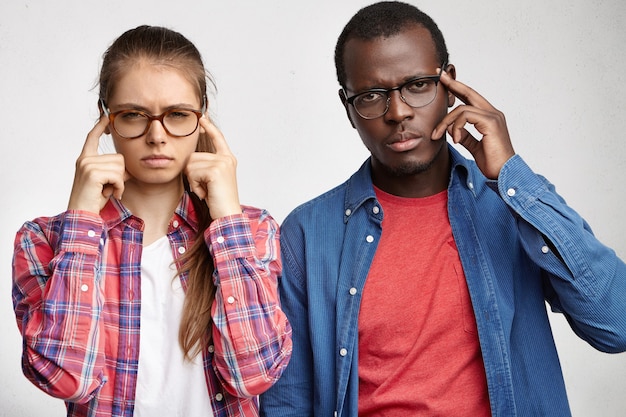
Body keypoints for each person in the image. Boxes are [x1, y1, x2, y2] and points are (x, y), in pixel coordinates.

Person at [259, 2, 626, 416]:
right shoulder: (307, 234)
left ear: (449, 83)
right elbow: (287, 401)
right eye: (371, 96)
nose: (397, 113)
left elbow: (617, 324)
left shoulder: (511, 206)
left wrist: (511, 176)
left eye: (417, 85)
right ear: (348, 107)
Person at [12, 25, 292, 417]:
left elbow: (254, 375)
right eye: (134, 115)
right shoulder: (43, 240)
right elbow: (65, 379)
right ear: (107, 119)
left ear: (202, 118)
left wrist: (226, 218)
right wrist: (81, 222)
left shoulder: (253, 230)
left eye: (177, 114)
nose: (157, 135)